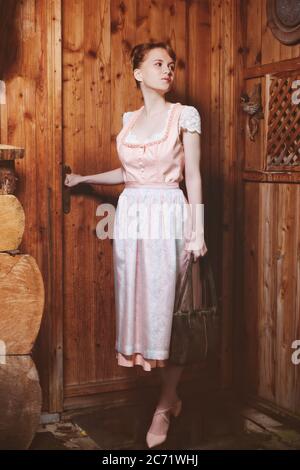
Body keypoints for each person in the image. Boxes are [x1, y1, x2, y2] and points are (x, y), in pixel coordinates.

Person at [64, 41, 207, 448]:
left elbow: (192, 176)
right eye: (158, 64)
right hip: (133, 221)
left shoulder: (184, 115)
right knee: (145, 312)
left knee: (173, 313)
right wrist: (84, 179)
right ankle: (169, 396)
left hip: (167, 217)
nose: (168, 70)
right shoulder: (130, 119)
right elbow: (129, 172)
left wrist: (197, 231)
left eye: (171, 64)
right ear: (138, 73)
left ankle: (165, 403)